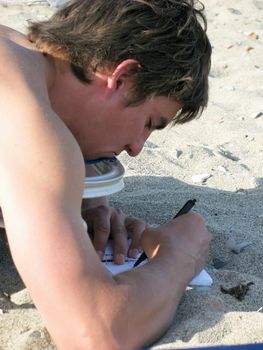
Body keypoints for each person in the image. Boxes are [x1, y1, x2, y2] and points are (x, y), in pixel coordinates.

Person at [0, 0, 212, 349]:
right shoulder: (25, 116)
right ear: (122, 77)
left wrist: (80, 201)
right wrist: (179, 258)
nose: (136, 147)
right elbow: (95, 333)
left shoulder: (18, 54)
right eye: (149, 123)